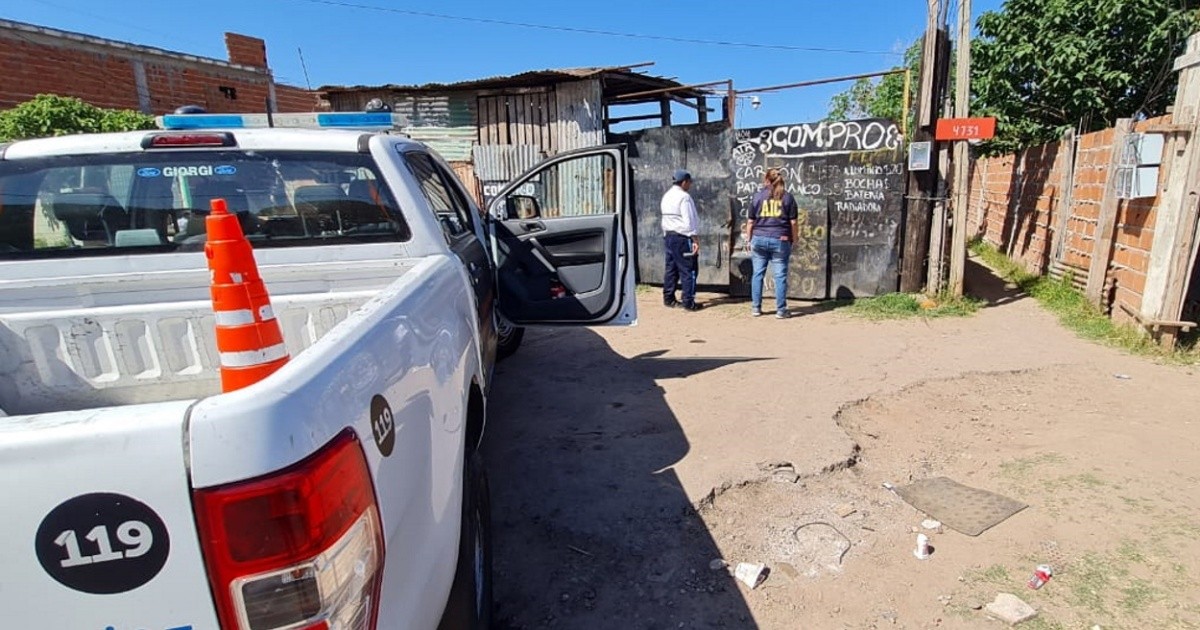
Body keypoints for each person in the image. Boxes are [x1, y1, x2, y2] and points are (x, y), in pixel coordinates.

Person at [745, 168, 799, 318]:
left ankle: (756, 308)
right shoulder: (788, 198)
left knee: (757, 274)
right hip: (780, 239)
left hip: (759, 238)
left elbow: (750, 222)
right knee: (780, 275)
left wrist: (749, 240)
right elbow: (793, 223)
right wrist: (795, 239)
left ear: (767, 181)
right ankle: (781, 310)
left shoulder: (757, 197)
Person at [660, 169, 701, 311]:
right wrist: (695, 239)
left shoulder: (666, 196)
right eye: (689, 182)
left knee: (671, 269)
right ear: (684, 182)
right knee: (688, 270)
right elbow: (689, 220)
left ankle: (668, 298)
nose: (690, 185)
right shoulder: (684, 197)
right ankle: (689, 302)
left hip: (669, 236)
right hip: (683, 237)